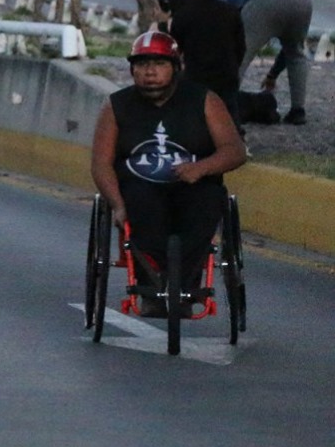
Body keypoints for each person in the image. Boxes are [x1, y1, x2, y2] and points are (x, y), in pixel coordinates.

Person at [90, 30, 246, 314]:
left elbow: (234, 151)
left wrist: (201, 168)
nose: (150, 72)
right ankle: (151, 285)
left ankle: (185, 288)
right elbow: (101, 163)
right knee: (140, 208)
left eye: (159, 64)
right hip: (138, 189)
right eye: (142, 65)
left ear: (176, 67)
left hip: (195, 184)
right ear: (132, 69)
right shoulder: (116, 106)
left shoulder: (204, 101)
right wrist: (117, 205)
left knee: (205, 206)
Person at [164, 0, 244, 126]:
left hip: (196, 75)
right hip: (226, 75)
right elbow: (240, 47)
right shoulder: (230, 11)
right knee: (229, 114)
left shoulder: (184, 15)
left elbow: (173, 50)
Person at [226, 0, 313, 124]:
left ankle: (228, 106)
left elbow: (228, 39)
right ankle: (298, 111)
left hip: (263, 1)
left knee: (242, 55)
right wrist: (272, 75)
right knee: (296, 54)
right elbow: (286, 52)